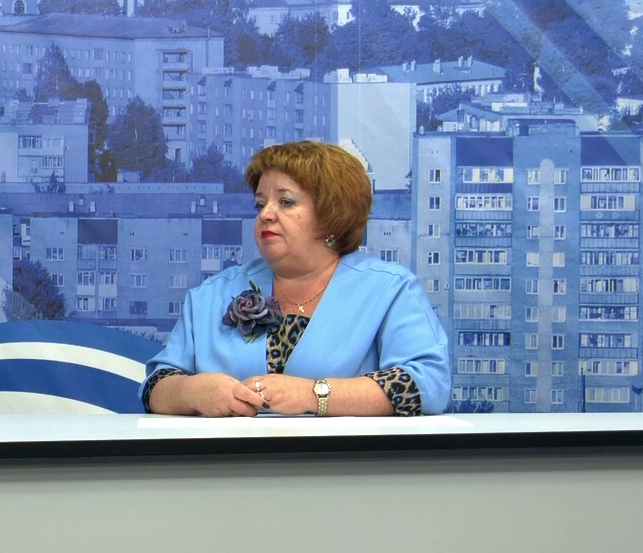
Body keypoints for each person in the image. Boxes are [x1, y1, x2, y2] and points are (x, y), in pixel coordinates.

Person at [144, 140, 449, 417]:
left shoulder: (389, 289)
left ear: (332, 215)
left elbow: (429, 384)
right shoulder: (211, 294)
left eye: (286, 202)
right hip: (226, 458)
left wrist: (314, 395)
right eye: (260, 204)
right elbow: (155, 386)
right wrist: (191, 392)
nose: (265, 214)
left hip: (342, 458)